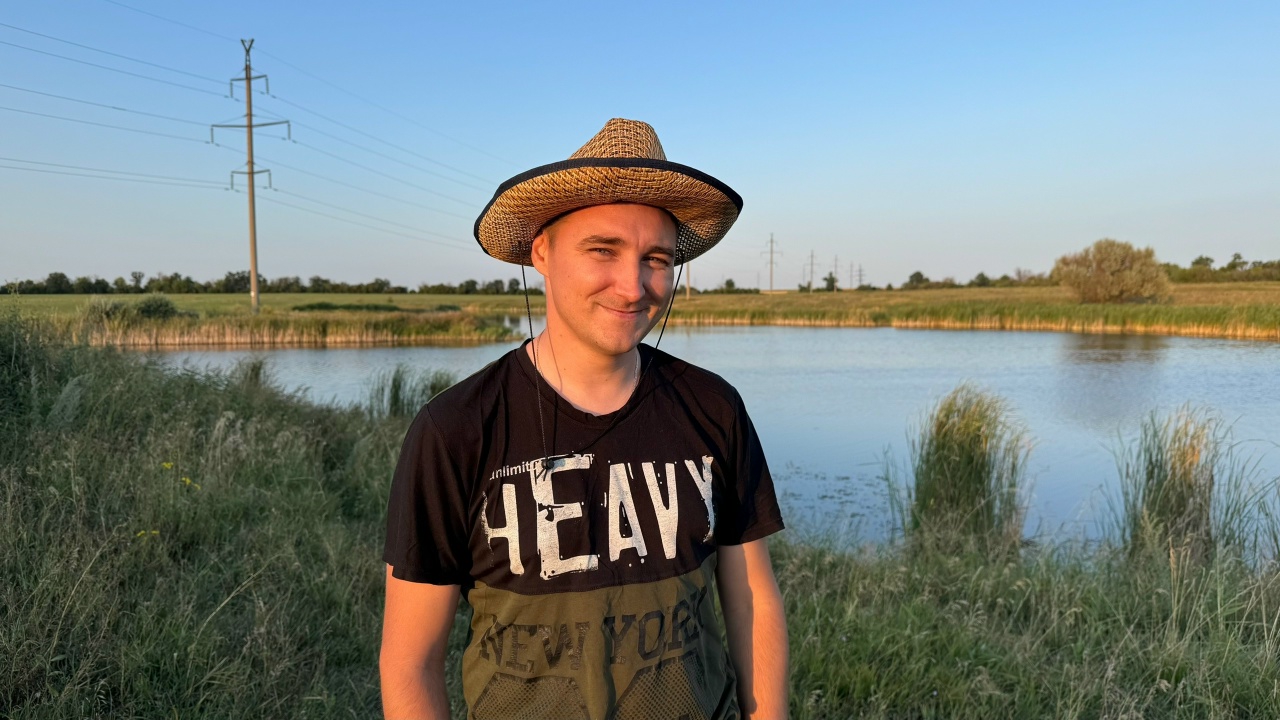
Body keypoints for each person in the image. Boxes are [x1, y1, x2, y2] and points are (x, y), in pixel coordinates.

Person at [381, 118, 788, 720]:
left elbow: (752, 598)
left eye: (656, 258)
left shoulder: (713, 407)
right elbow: (410, 663)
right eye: (603, 250)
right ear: (541, 252)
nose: (633, 285)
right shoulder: (456, 430)